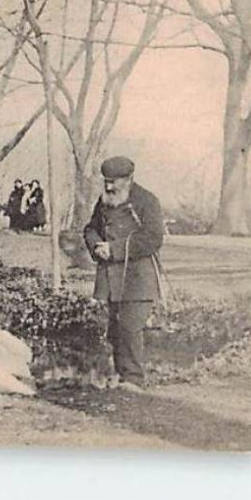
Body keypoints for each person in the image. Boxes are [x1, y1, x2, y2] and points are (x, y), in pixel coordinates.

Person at [82, 156, 165, 390]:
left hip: (136, 278)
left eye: (114, 182)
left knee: (130, 327)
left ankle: (133, 380)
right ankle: (119, 375)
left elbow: (153, 238)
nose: (109, 187)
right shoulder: (104, 201)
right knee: (114, 328)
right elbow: (90, 229)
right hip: (110, 276)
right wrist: (96, 245)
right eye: (106, 181)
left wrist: (115, 249)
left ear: (129, 179)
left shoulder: (147, 201)